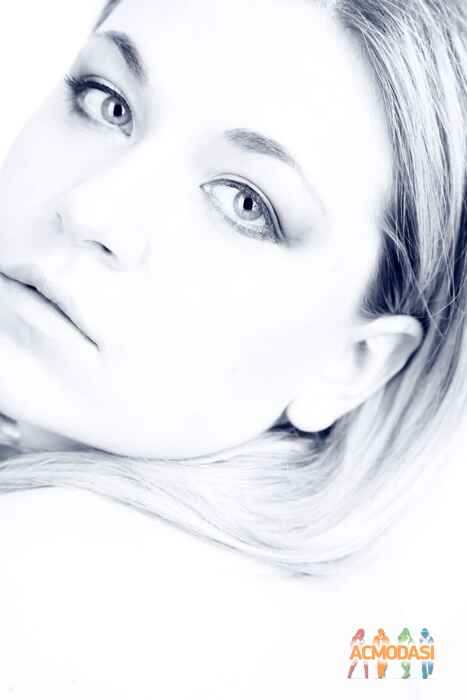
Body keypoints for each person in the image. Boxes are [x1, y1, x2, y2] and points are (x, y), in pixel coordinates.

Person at [0, 0, 466, 582]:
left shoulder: (48, 575)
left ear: (351, 365)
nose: (89, 209)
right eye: (108, 103)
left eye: (245, 203)